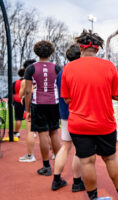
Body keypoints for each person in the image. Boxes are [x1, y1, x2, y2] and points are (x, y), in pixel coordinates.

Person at [61, 30, 118, 200]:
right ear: (98, 48)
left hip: (79, 123)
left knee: (86, 161)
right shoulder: (108, 66)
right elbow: (117, 95)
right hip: (104, 122)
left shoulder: (69, 68)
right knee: (110, 158)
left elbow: (66, 99)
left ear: (81, 47)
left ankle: (93, 198)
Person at [51, 44, 85, 192]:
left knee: (65, 146)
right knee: (79, 149)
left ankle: (56, 179)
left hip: (65, 114)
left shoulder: (62, 71)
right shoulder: (78, 70)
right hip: (78, 112)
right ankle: (77, 182)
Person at [24, 40, 61, 175]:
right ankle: (59, 163)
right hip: (54, 103)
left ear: (36, 52)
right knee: (54, 133)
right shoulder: (57, 68)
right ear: (51, 52)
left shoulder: (31, 68)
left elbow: (28, 91)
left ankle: (46, 166)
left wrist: (27, 110)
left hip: (38, 104)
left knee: (43, 135)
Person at [18, 59, 37, 162]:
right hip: (44, 102)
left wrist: (23, 97)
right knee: (47, 131)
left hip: (31, 103)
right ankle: (54, 154)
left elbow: (21, 94)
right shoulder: (42, 76)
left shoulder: (25, 80)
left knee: (30, 131)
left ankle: (30, 156)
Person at [12, 68, 26, 138]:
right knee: (30, 117)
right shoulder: (27, 82)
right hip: (26, 100)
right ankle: (33, 132)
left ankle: (16, 132)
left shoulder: (15, 82)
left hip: (17, 100)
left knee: (18, 118)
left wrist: (12, 102)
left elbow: (12, 93)